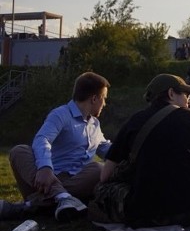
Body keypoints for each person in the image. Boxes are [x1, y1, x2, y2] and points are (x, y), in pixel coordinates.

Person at [98, 74, 190, 227]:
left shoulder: (135, 121)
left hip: (144, 213)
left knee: (100, 188)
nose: (189, 100)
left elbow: (105, 176)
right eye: (186, 95)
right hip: (189, 210)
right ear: (171, 94)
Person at [8, 72, 112, 221]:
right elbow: (42, 139)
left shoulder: (94, 124)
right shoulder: (61, 114)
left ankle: (34, 204)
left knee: (99, 168)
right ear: (94, 98)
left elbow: (105, 148)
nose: (105, 104)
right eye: (104, 99)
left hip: (77, 181)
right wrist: (45, 167)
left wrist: (131, 151)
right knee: (19, 151)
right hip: (45, 179)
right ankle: (62, 198)